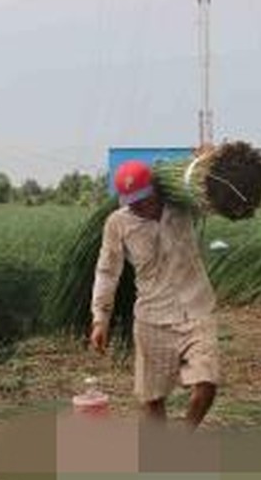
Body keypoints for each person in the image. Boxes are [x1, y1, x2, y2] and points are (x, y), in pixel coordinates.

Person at [89, 158, 219, 430]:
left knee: (206, 384)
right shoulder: (118, 223)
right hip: (152, 319)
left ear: (156, 190)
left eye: (142, 199)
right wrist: (100, 318)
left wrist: (210, 163)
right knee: (152, 398)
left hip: (197, 310)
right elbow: (107, 270)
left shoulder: (184, 206)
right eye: (131, 201)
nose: (137, 206)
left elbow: (214, 195)